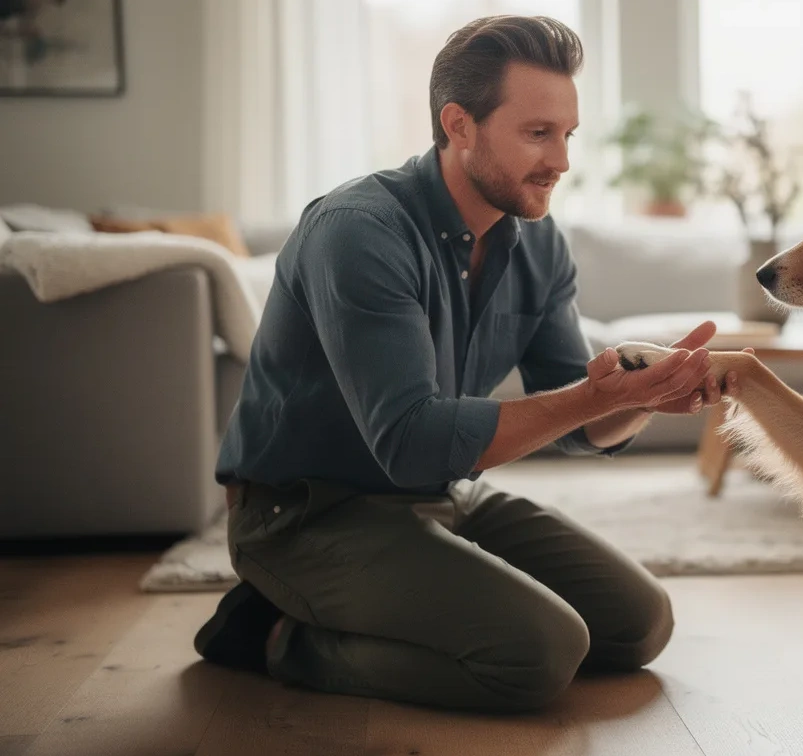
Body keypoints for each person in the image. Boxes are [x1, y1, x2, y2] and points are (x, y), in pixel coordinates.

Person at [194, 14, 740, 712]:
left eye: (568, 134)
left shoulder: (540, 248)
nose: (562, 162)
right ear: (459, 125)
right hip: (305, 514)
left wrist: (641, 399)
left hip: (443, 496)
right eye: (537, 133)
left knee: (639, 625)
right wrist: (598, 399)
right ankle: (272, 634)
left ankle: (392, 602)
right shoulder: (359, 232)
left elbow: (576, 425)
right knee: (537, 654)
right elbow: (411, 440)